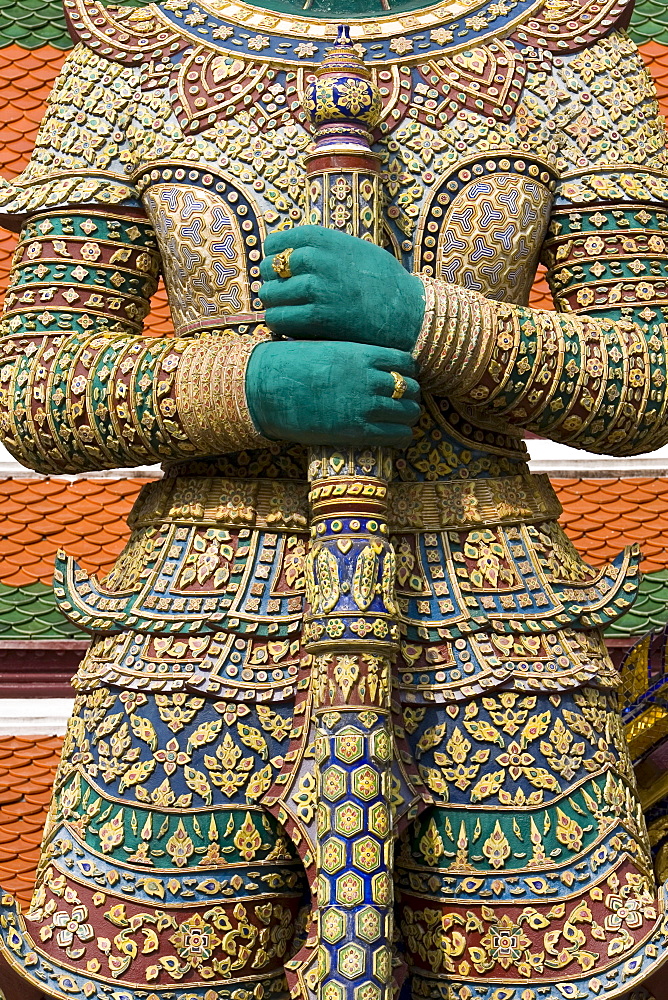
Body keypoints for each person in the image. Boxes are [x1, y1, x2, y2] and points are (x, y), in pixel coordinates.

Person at [0, 0, 666, 997]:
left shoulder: (565, 56)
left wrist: (422, 316)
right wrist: (252, 389)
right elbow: (37, 388)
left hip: (495, 625)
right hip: (197, 629)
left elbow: (643, 373)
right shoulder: (134, 59)